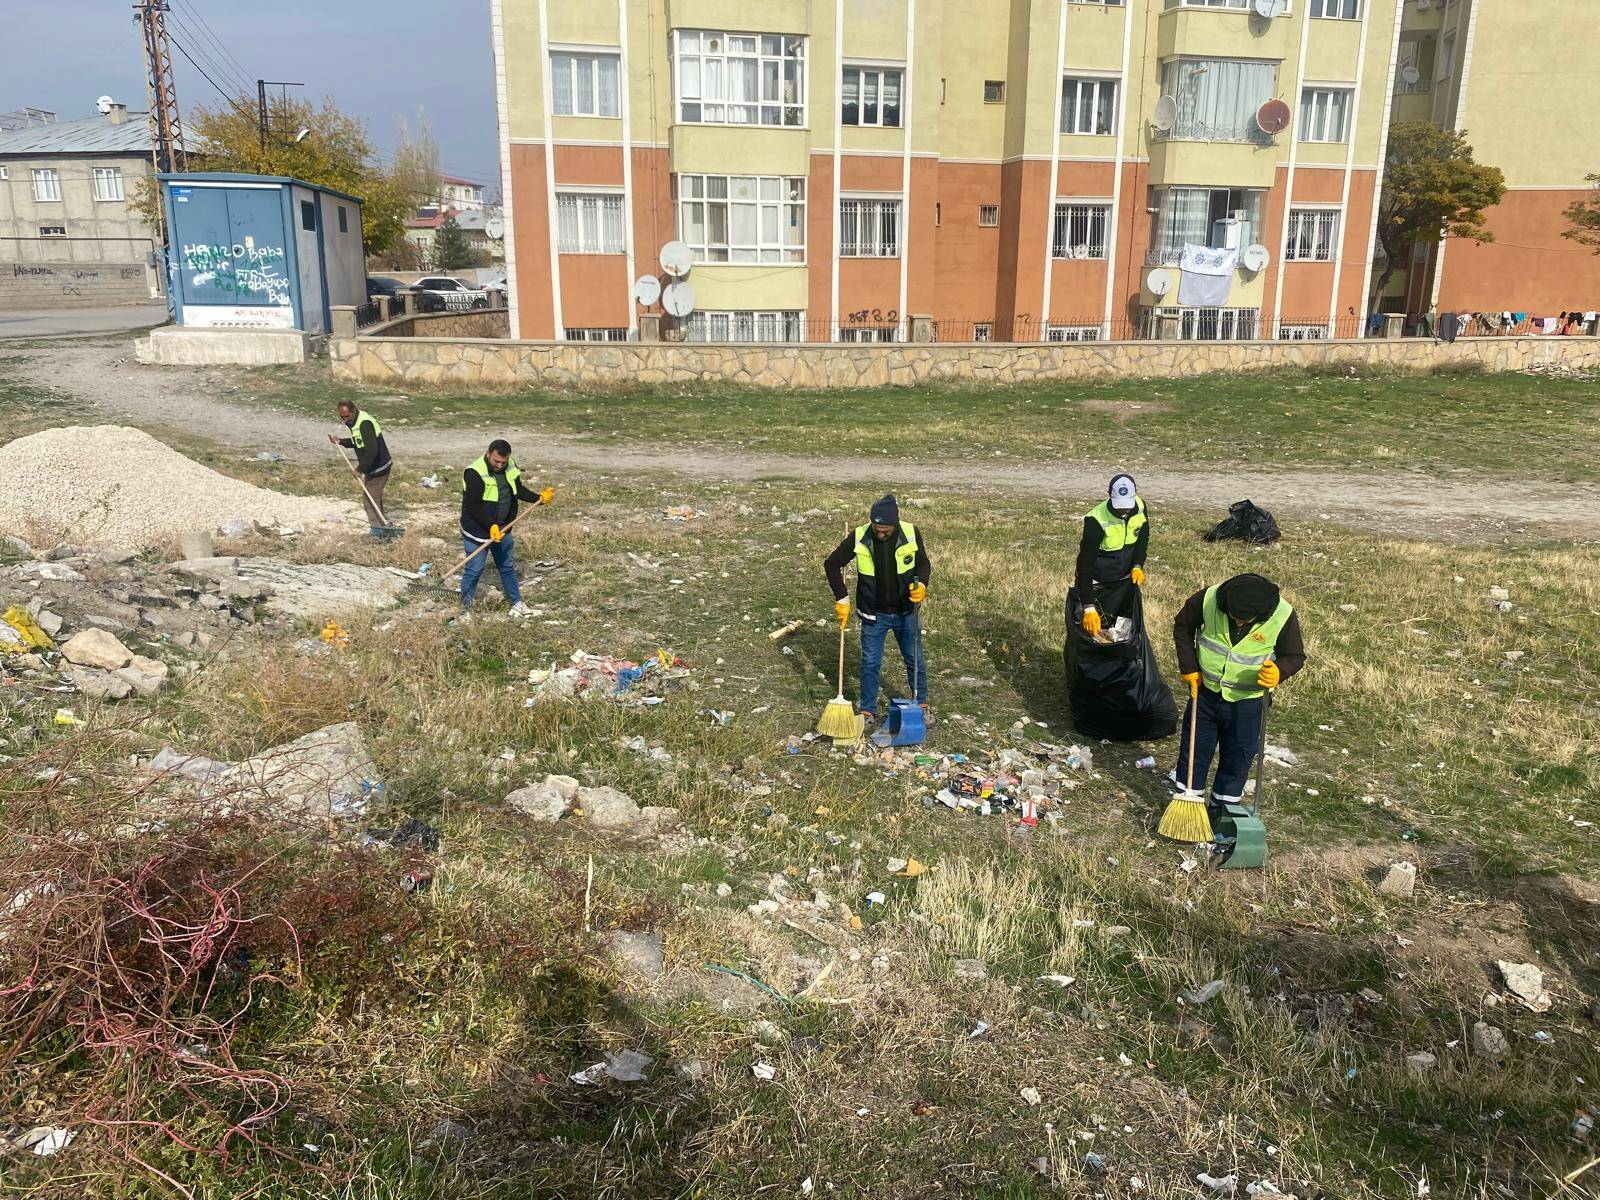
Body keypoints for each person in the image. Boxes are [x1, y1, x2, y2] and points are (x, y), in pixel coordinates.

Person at [1171, 573, 1306, 816]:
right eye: (1235, 617)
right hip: (1205, 694)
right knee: (1193, 753)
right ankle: (1187, 809)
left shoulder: (1283, 615)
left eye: (1246, 620)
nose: (1240, 623)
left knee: (1237, 760)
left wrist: (1279, 672)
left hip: (1248, 704)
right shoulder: (1209, 599)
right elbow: (1183, 626)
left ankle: (1221, 815)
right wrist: (1189, 667)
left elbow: (1295, 656)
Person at [823, 494, 931, 722]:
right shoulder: (860, 535)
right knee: (871, 662)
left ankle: (920, 704)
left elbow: (923, 563)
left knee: (915, 660)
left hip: (906, 611)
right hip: (873, 613)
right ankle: (868, 710)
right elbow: (832, 564)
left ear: (895, 524)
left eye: (886, 531)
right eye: (877, 529)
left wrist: (921, 584)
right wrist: (841, 598)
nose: (881, 534)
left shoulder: (911, 533)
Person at [458, 439, 552, 619]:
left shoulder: (510, 466)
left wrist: (538, 498)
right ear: (488, 454)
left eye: (503, 462)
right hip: (477, 531)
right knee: (474, 569)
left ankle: (517, 602)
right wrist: (490, 526)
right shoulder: (474, 473)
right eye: (496, 461)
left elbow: (516, 489)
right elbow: (473, 506)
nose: (500, 465)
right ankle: (464, 610)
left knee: (507, 567)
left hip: (503, 528)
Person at [1076, 473, 1148, 639]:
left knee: (1124, 632)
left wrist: (1138, 565)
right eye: (1119, 506)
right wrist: (1088, 606)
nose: (1123, 510)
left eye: (1127, 505)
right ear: (1109, 496)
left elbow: (1143, 539)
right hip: (1098, 583)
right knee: (1091, 634)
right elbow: (1085, 564)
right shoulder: (1096, 520)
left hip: (1124, 582)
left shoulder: (1141, 507)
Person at [328, 400, 392, 534]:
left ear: (354, 410)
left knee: (369, 501)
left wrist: (359, 469)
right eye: (342, 417)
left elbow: (372, 451)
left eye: (347, 416)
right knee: (374, 498)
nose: (345, 420)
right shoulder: (355, 422)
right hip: (372, 466)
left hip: (379, 467)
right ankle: (385, 526)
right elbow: (359, 441)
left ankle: (378, 534)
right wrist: (341, 441)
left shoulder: (364, 423)